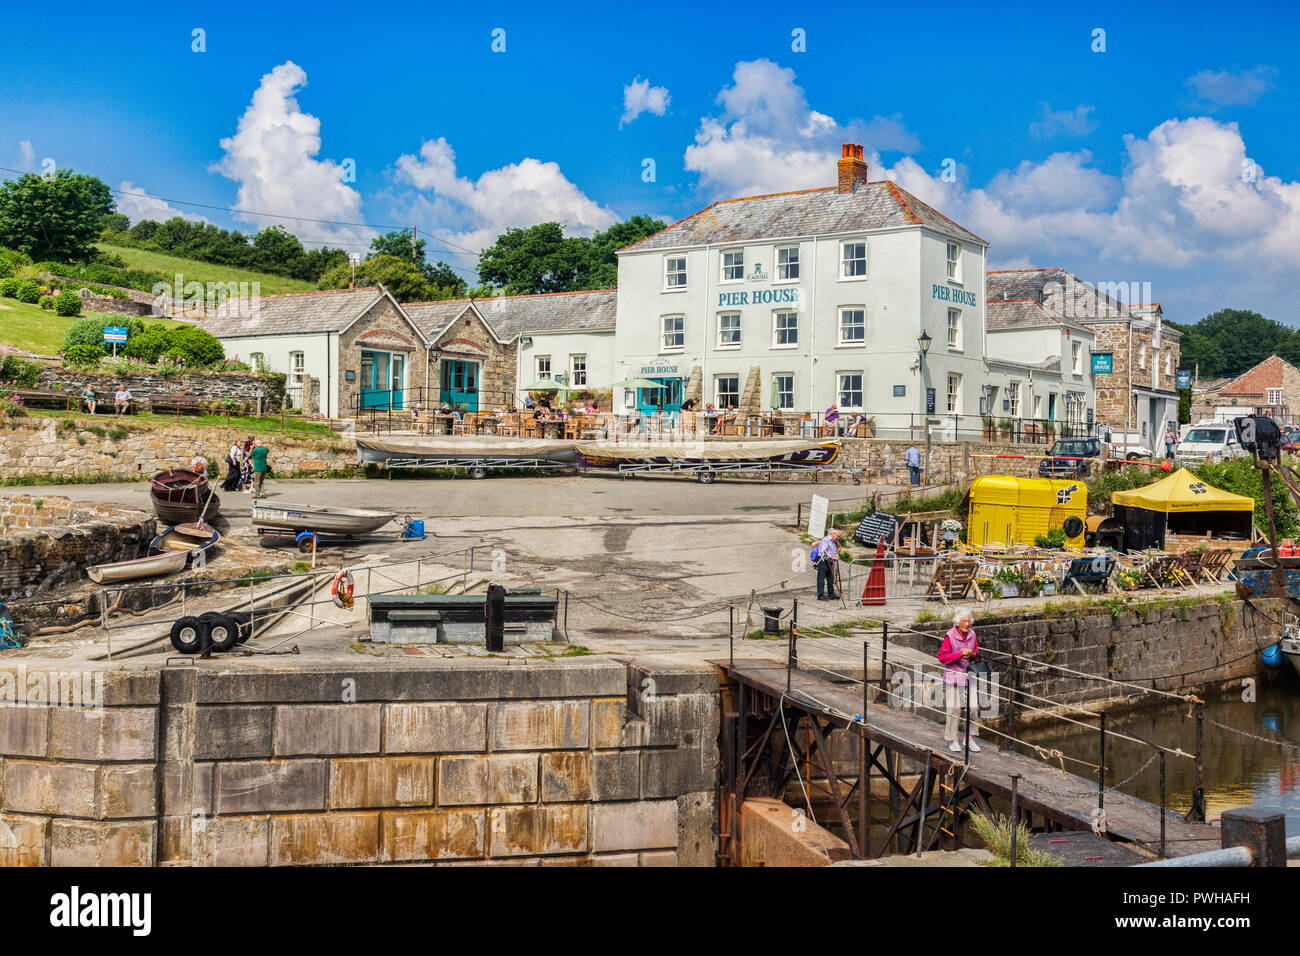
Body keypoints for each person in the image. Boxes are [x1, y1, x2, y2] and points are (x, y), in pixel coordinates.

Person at [937, 608, 981, 753]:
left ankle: (969, 739)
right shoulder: (950, 636)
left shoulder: (972, 634)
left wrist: (972, 654)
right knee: (955, 709)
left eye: (969, 621)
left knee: (973, 708)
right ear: (958, 622)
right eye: (964, 621)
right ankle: (953, 740)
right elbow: (942, 657)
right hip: (953, 676)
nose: (967, 624)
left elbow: (977, 656)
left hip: (969, 676)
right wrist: (959, 654)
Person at [813, 529, 841, 601]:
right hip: (823, 560)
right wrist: (831, 556)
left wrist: (836, 556)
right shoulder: (826, 540)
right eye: (837, 536)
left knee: (830, 577)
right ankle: (820, 595)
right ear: (833, 534)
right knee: (821, 578)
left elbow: (834, 551)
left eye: (839, 537)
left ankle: (831, 594)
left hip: (830, 561)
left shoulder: (834, 542)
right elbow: (822, 551)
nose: (838, 538)